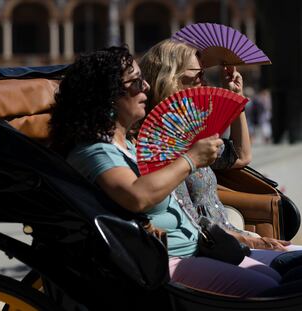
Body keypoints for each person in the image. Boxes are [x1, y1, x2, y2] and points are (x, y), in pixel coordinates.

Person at [49, 46, 290, 297]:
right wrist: (190, 159)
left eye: (143, 79)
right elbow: (136, 196)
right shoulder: (96, 151)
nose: (145, 87)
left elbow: (238, 157)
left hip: (201, 246)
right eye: (135, 82)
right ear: (108, 95)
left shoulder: (130, 145)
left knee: (279, 278)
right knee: (270, 290)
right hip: (163, 263)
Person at [139, 39, 302, 262]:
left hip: (235, 239)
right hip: (216, 247)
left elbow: (241, 156)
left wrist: (235, 99)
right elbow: (189, 220)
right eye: (197, 75)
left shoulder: (188, 134)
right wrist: (253, 242)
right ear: (169, 79)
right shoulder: (155, 146)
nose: (204, 82)